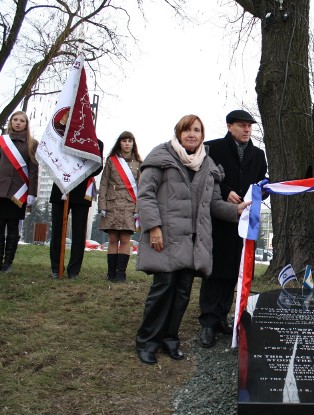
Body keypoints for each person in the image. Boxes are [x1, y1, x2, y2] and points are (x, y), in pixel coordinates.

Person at [135, 114, 248, 365]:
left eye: (196, 130)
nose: (192, 135)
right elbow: (145, 195)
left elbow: (214, 204)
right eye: (187, 130)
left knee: (183, 292)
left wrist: (236, 211)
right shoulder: (162, 157)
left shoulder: (208, 166)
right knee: (163, 288)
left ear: (202, 135)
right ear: (178, 133)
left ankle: (170, 339)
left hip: (193, 241)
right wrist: (153, 227)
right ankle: (147, 340)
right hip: (165, 237)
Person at [198, 110, 268, 348]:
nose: (247, 130)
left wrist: (261, 192)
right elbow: (205, 179)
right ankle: (207, 321)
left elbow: (262, 182)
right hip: (218, 219)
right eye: (241, 126)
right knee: (214, 271)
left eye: (249, 126)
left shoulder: (258, 155)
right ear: (230, 127)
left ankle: (221, 317)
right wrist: (226, 189)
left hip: (244, 222)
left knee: (233, 272)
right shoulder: (212, 148)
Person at [49, 141, 103, 279]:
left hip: (81, 191)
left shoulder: (96, 143)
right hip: (62, 188)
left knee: (79, 234)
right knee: (57, 231)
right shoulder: (61, 140)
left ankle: (74, 270)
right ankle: (56, 267)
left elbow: (97, 167)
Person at [98, 131, 142, 282]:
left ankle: (121, 273)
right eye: (124, 141)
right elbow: (104, 184)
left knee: (125, 238)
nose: (127, 144)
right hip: (112, 205)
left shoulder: (139, 163)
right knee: (112, 238)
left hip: (130, 206)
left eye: (130, 141)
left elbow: (141, 188)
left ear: (133, 144)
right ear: (120, 143)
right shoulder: (111, 161)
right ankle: (111, 273)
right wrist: (102, 205)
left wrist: (138, 210)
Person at [0, 111, 39, 273]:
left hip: (19, 192)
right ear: (11, 122)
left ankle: (8, 263)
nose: (18, 123)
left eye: (21, 121)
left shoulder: (32, 143)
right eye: (15, 120)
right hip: (1, 190)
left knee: (13, 227)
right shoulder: (2, 141)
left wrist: (32, 193)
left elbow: (34, 169)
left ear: (26, 124)